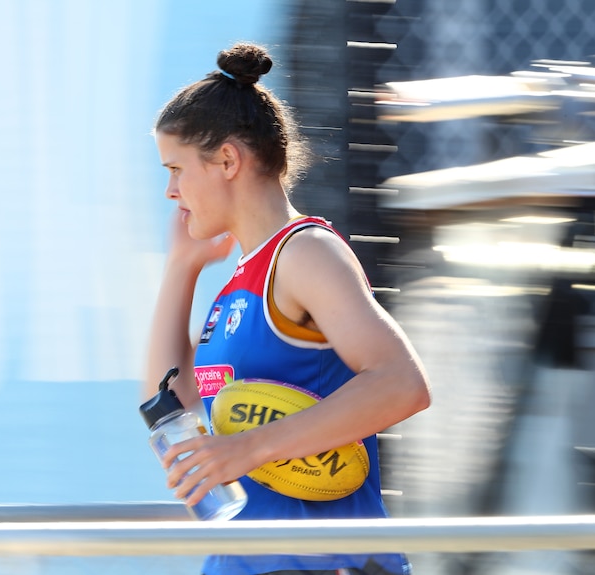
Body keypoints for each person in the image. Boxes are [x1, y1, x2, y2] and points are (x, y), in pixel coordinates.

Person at [143, 42, 431, 575]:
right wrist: (180, 270)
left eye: (177, 169)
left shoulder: (304, 253)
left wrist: (247, 450)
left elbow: (402, 384)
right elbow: (168, 411)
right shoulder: (241, 278)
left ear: (227, 160)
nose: (170, 190)